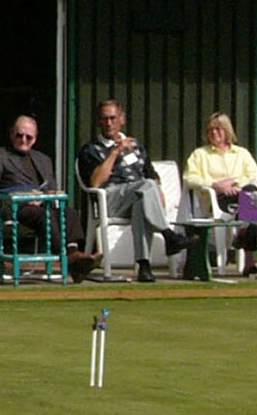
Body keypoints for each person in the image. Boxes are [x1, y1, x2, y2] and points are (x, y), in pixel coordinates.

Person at [76, 98, 189, 282]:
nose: (109, 123)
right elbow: (95, 182)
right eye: (104, 119)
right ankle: (168, 234)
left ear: (122, 119)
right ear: (98, 122)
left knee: (143, 201)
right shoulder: (90, 149)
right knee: (146, 188)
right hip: (110, 199)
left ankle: (144, 267)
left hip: (137, 195)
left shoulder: (136, 146)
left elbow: (151, 174)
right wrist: (114, 152)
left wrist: (157, 190)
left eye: (113, 118)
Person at [0, 115, 82, 261]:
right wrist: (20, 198)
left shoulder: (43, 159)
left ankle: (73, 252)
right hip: (15, 207)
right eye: (19, 135)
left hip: (40, 205)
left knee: (69, 213)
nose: (23, 140)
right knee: (42, 215)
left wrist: (41, 198)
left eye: (29, 137)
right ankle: (66, 256)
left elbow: (51, 187)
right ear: (11, 134)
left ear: (35, 138)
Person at [183, 111, 257, 278]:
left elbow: (253, 174)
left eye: (218, 129)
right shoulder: (200, 154)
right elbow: (189, 178)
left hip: (241, 195)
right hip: (216, 199)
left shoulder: (241, 153)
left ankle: (244, 235)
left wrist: (236, 184)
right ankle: (245, 244)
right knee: (253, 207)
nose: (214, 133)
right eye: (210, 130)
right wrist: (215, 185)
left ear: (227, 131)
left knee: (251, 196)